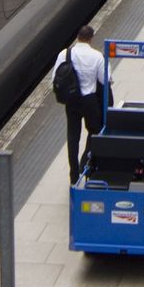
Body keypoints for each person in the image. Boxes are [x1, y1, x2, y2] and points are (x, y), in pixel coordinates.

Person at [54, 25, 109, 183]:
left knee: (72, 136)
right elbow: (104, 80)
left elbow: (54, 79)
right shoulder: (97, 56)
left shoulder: (65, 54)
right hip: (89, 100)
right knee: (95, 131)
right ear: (91, 38)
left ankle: (73, 175)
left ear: (78, 36)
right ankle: (85, 162)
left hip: (71, 101)